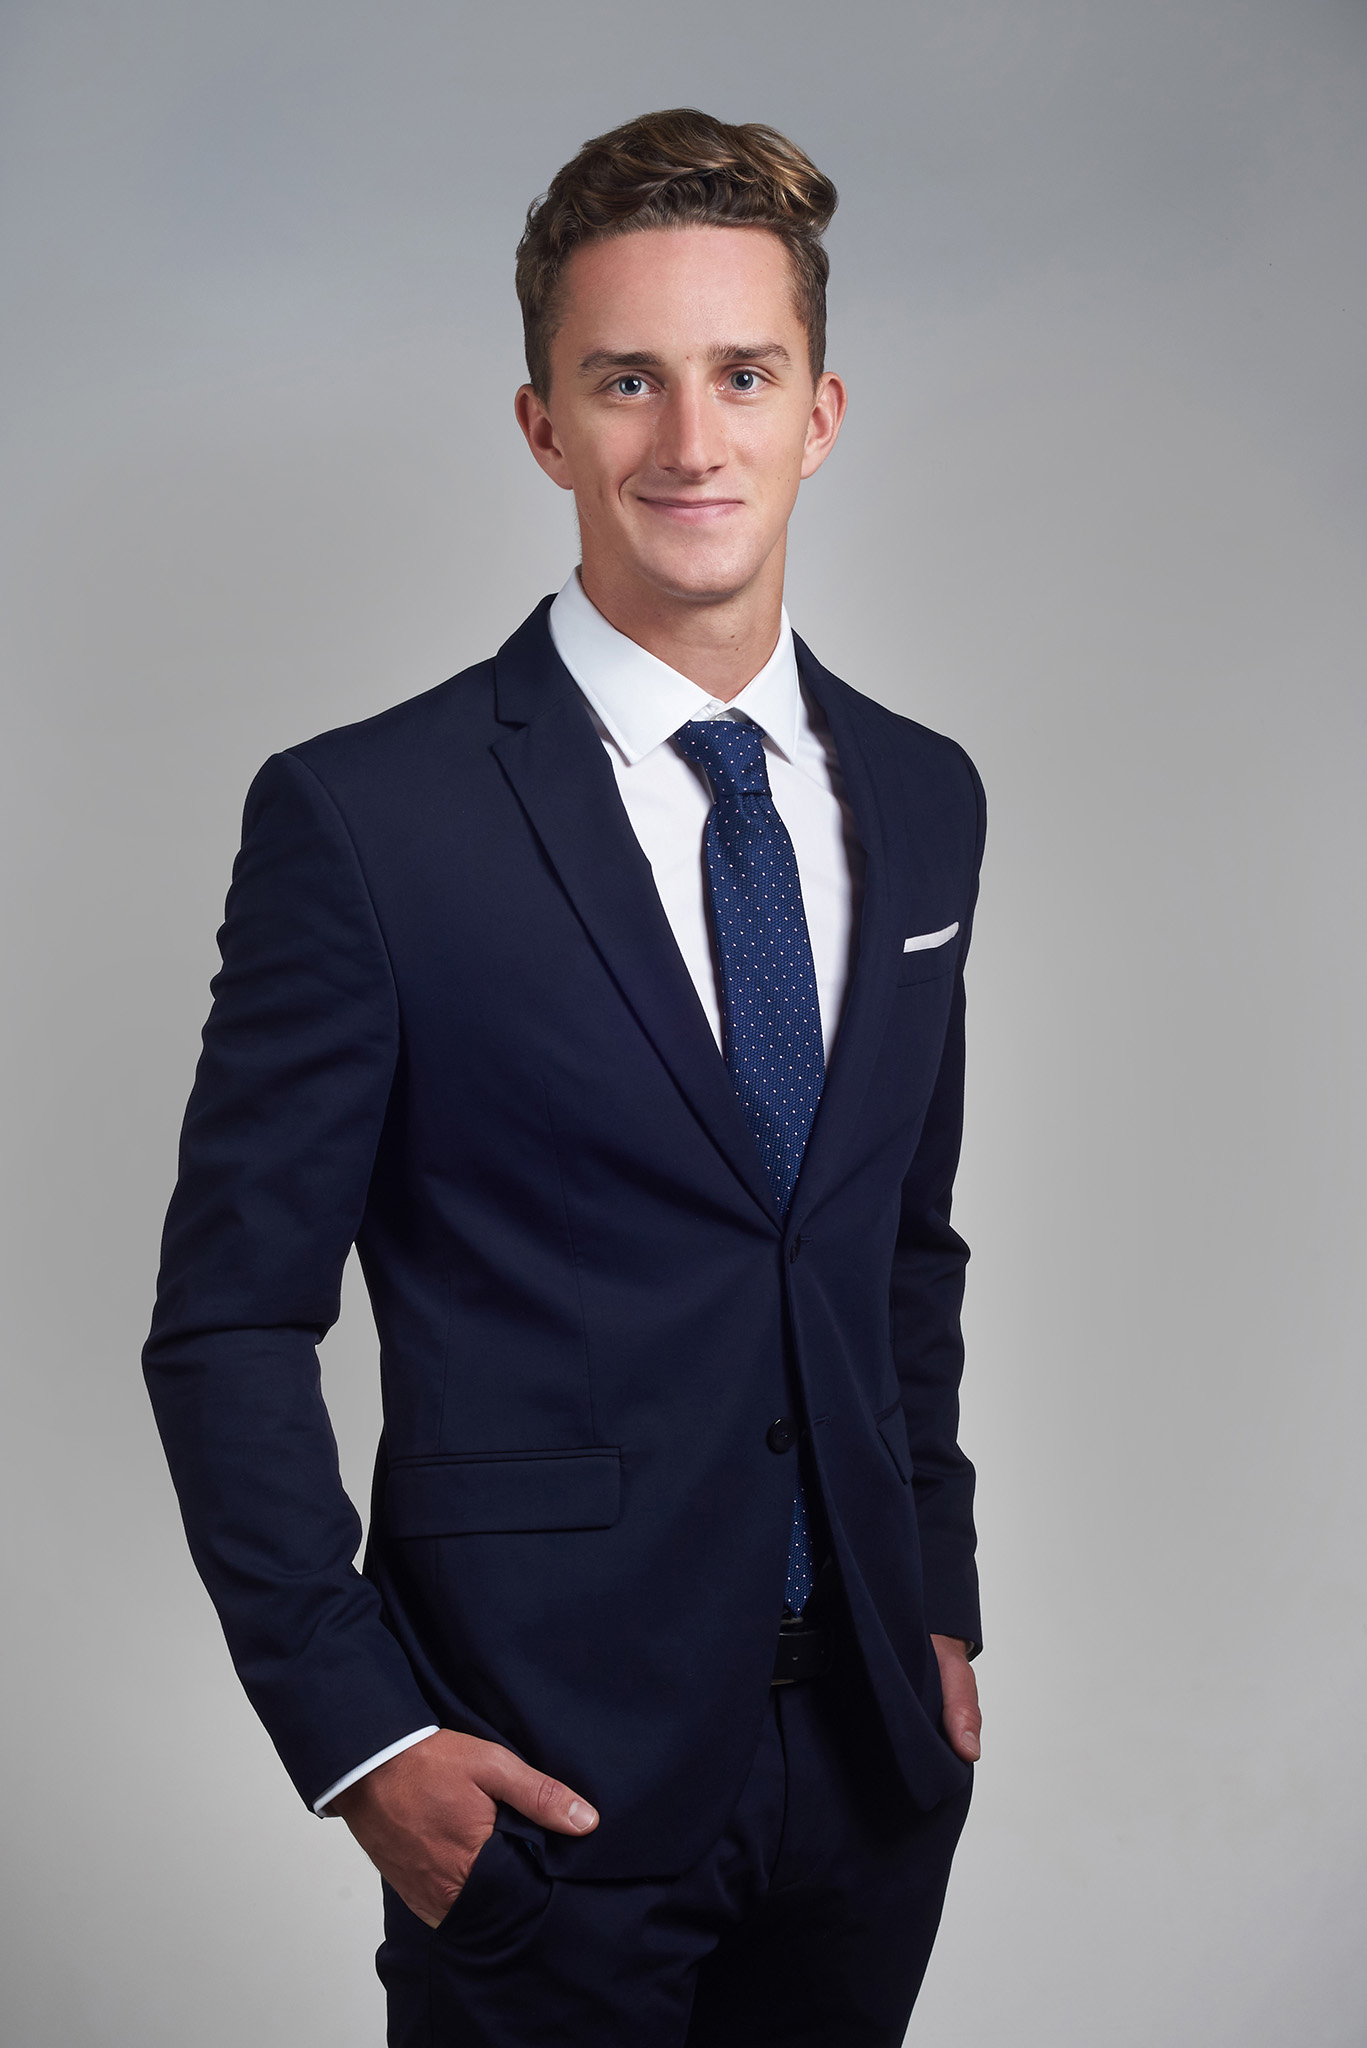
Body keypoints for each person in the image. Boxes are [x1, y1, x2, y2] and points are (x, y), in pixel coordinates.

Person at [144, 107, 986, 2047]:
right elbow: (228, 1324)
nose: (691, 441)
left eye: (742, 375)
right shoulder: (367, 824)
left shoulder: (926, 797)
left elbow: (898, 1251)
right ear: (543, 427)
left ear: (821, 414)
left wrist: (939, 1605)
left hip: (872, 1773)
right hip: (543, 1785)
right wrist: (363, 1739)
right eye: (626, 381)